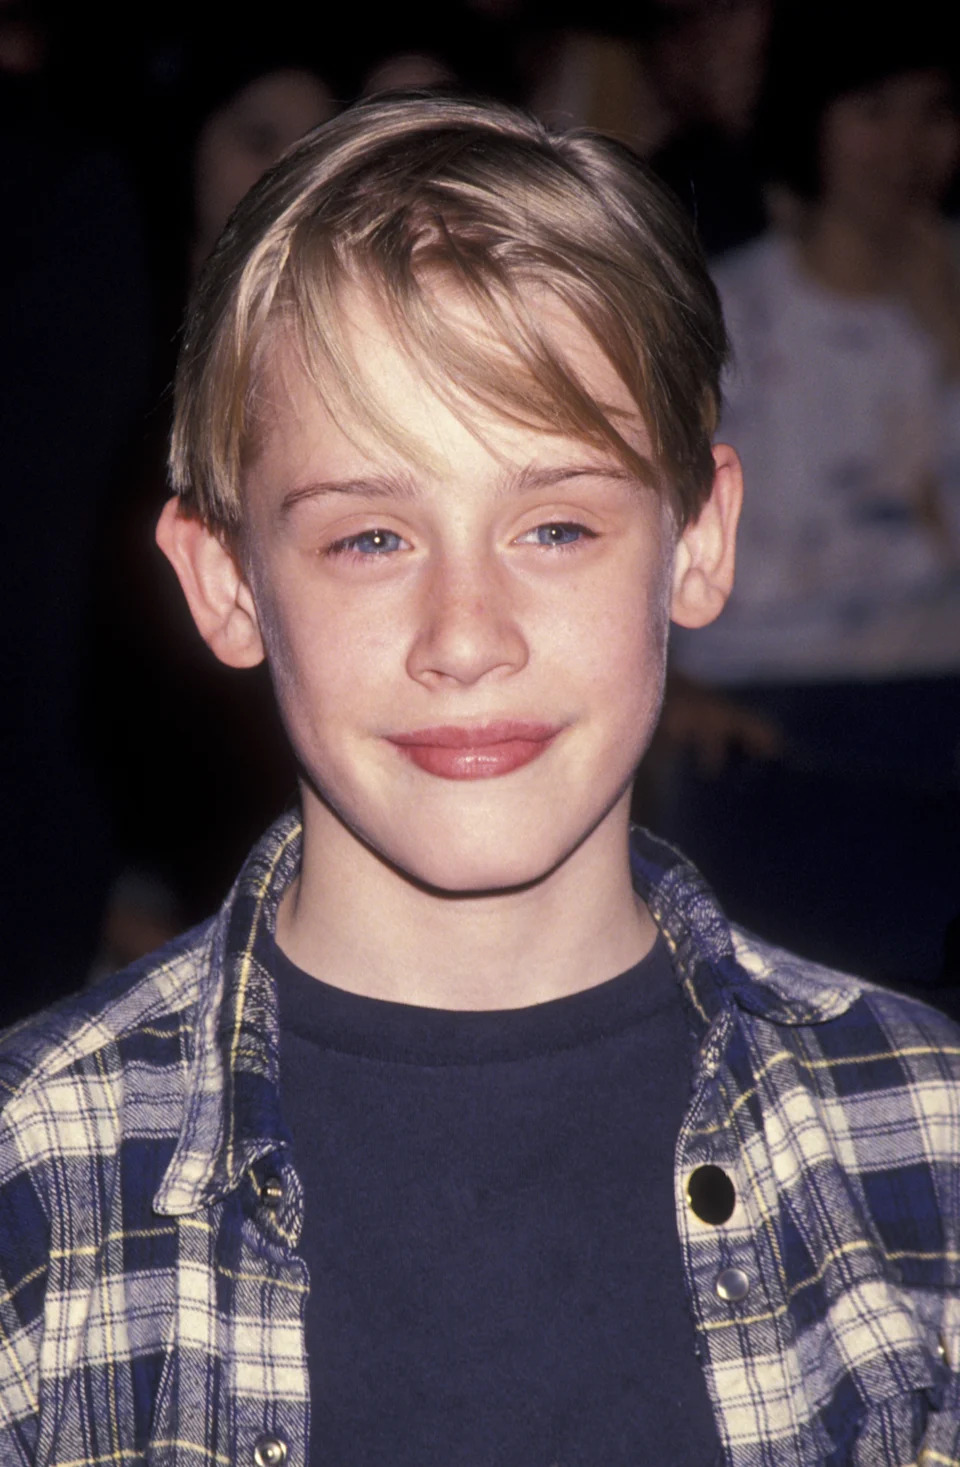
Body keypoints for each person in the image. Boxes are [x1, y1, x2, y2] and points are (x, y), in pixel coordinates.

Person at [1, 94, 959, 1467]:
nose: (466, 634)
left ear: (697, 539)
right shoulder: (37, 1179)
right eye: (373, 537)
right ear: (227, 582)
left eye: (556, 524)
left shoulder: (923, 1139)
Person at [666, 15, 960, 988]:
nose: (906, 148)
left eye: (934, 113)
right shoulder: (731, 312)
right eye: (873, 112)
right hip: (771, 712)